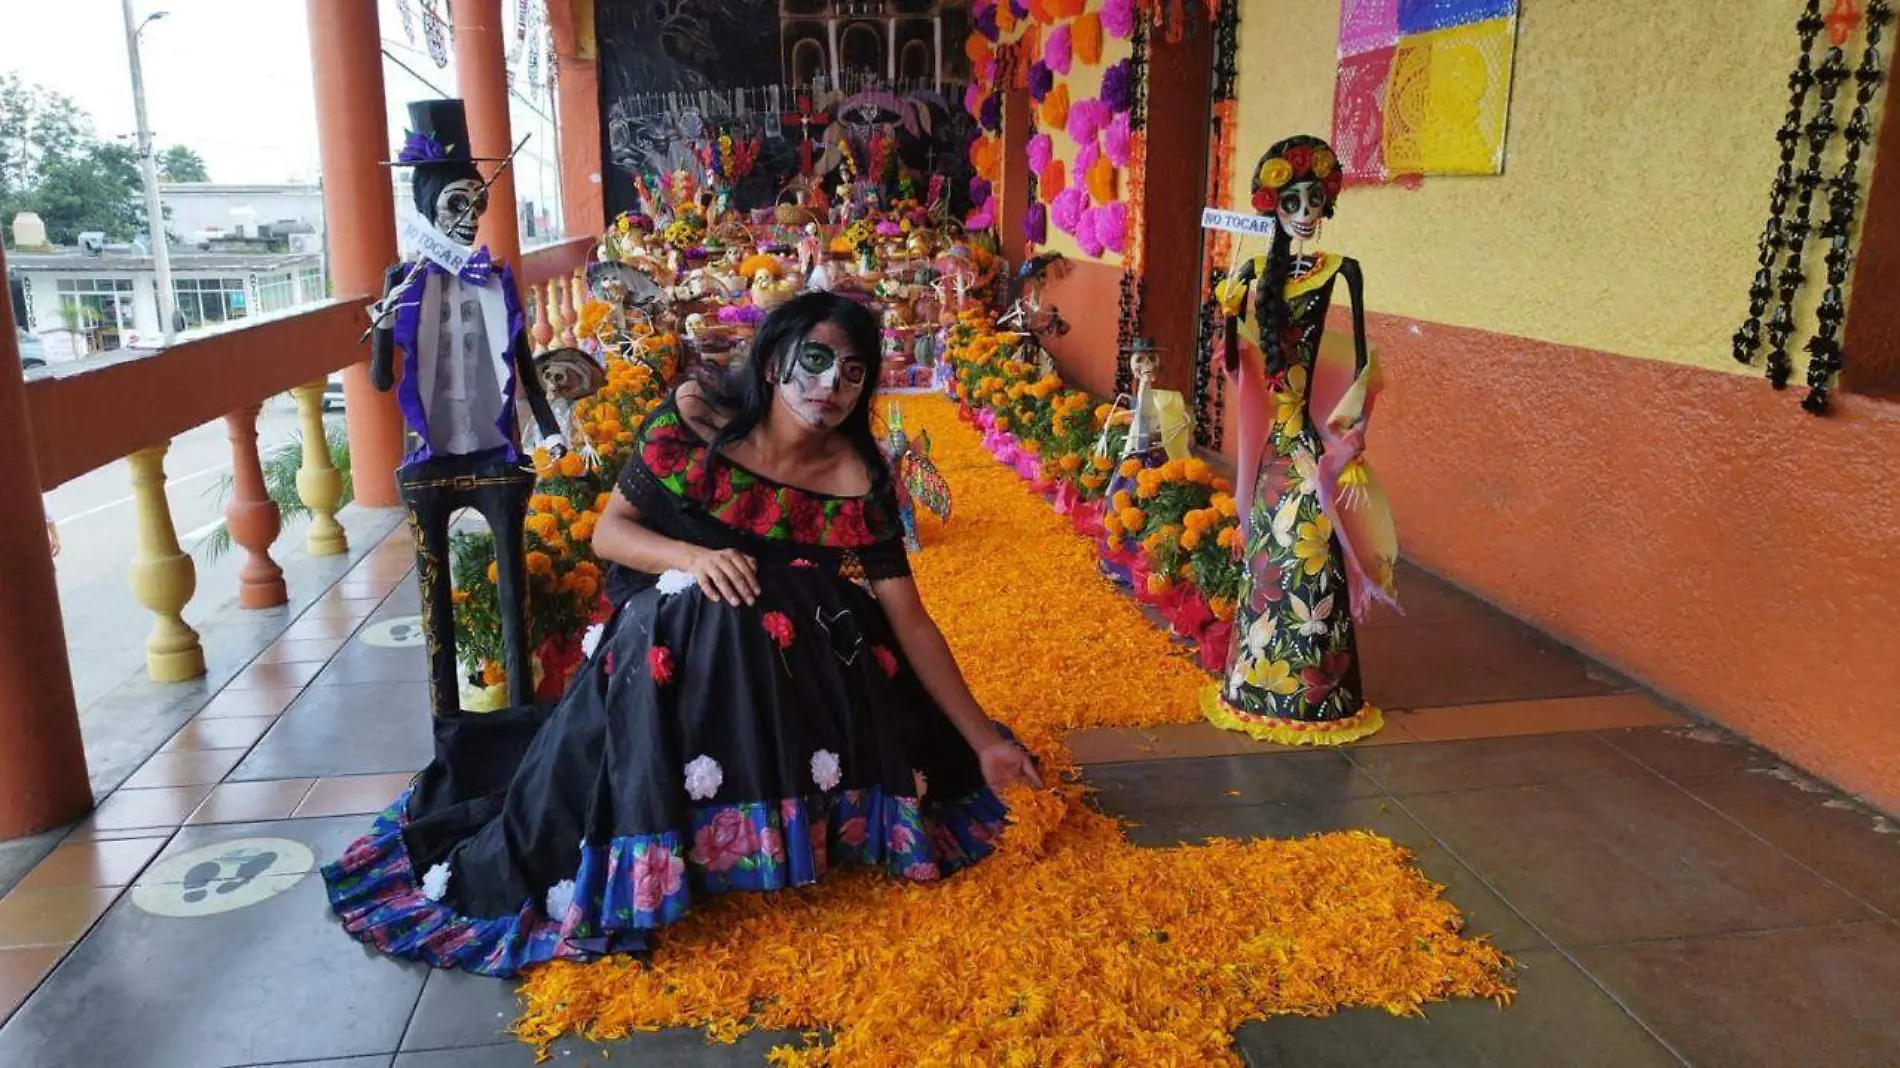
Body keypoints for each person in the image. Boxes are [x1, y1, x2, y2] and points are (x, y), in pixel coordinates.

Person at [323, 292, 1041, 977]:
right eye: (816, 362)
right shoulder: (697, 421)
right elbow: (611, 534)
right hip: (665, 624)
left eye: (854, 372)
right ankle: (666, 838)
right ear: (772, 364)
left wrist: (982, 740)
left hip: (793, 664)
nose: (833, 386)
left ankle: (775, 826)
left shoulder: (856, 477)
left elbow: (908, 616)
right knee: (705, 606)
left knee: (805, 602)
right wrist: (696, 560)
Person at [1205, 135, 1400, 747]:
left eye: (1316, 197)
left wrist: (1355, 434)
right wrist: (1229, 316)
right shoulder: (1250, 273)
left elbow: (1364, 368)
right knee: (1268, 564)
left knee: (1313, 559)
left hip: (1308, 452)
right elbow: (1236, 367)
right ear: (1275, 204)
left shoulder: (1345, 271)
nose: (1307, 208)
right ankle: (1258, 683)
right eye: (1294, 198)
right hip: (1274, 455)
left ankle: (1319, 690)